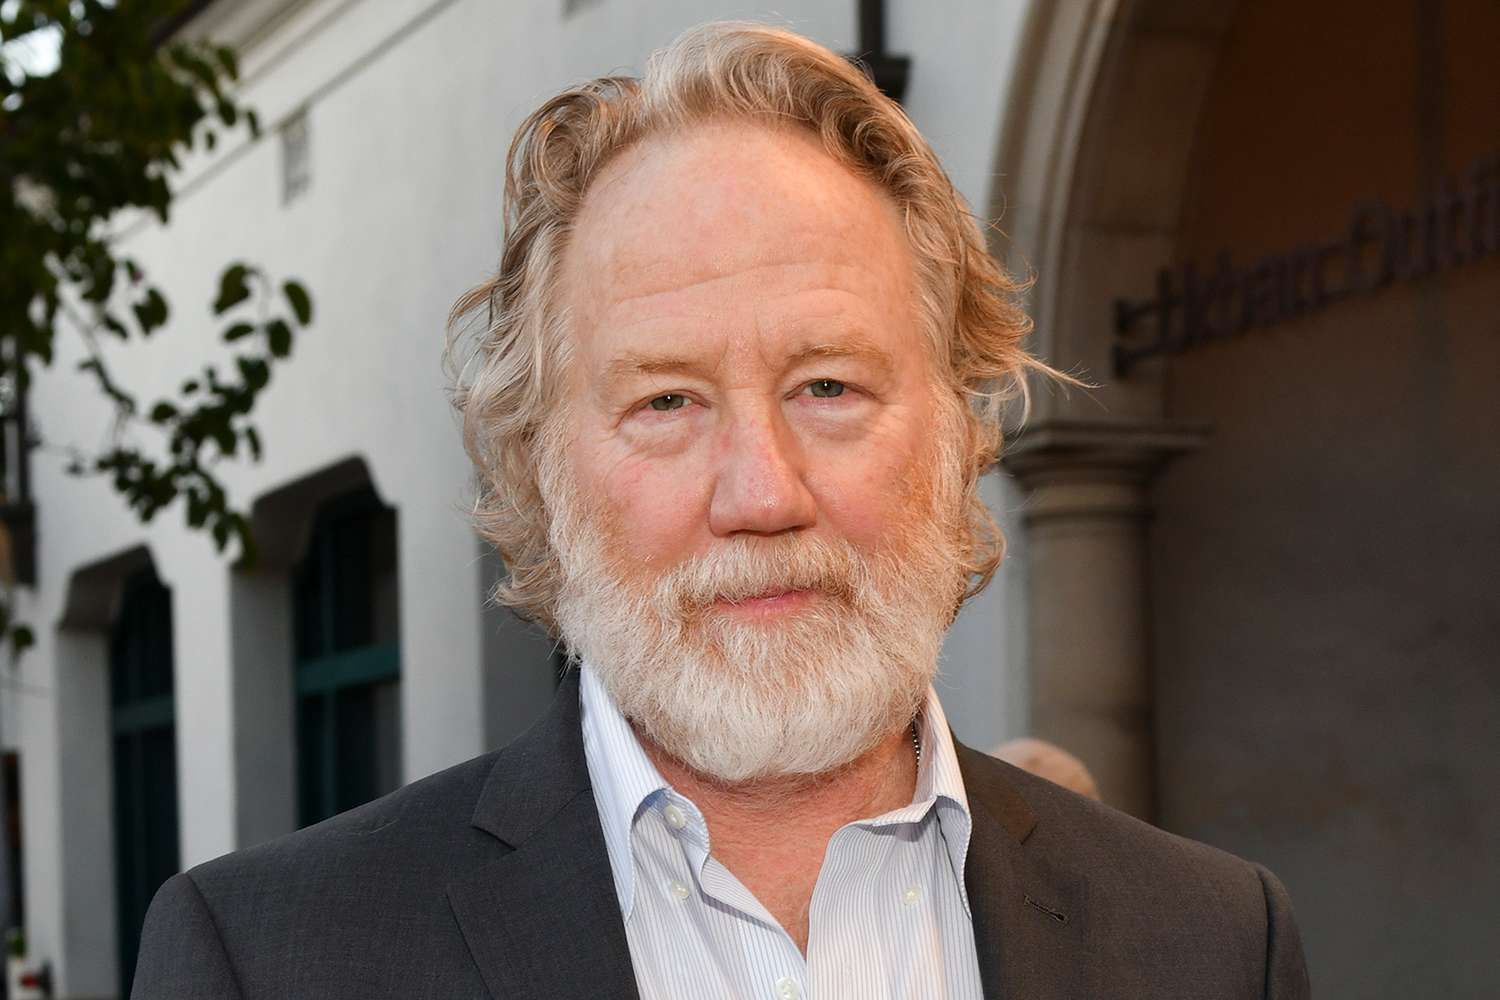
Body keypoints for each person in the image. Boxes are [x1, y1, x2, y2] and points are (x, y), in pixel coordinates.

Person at [132, 22, 1310, 999]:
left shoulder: (1212, 945)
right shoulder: (268, 960)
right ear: (540, 469)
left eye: (829, 387)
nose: (762, 493)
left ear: (959, 429)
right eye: (666, 401)